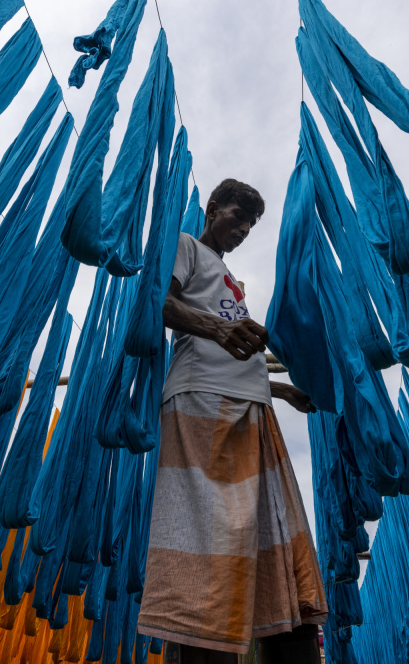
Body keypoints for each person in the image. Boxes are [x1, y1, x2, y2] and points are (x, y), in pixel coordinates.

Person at [137, 179, 327, 664]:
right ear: (212, 208)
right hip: (203, 404)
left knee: (271, 542)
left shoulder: (230, 280)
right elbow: (156, 302)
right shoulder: (186, 248)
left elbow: (236, 353)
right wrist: (221, 328)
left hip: (251, 411)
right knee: (209, 537)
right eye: (237, 216)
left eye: (250, 223)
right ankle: (199, 639)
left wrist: (282, 389)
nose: (242, 228)